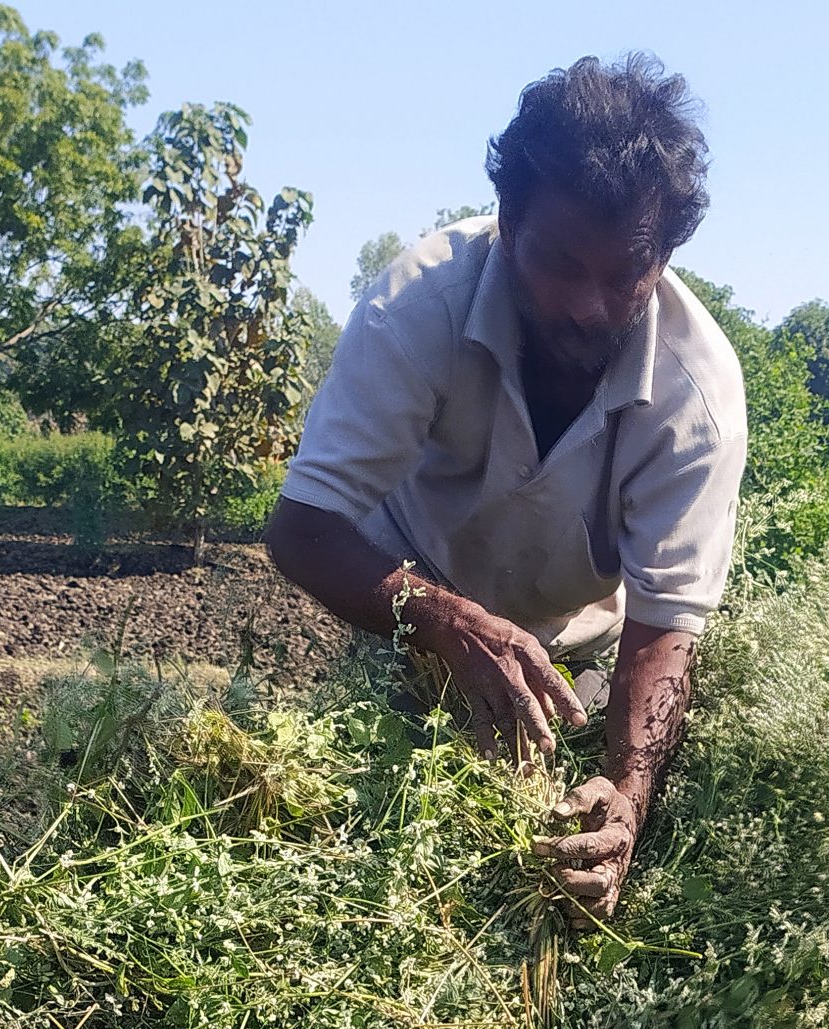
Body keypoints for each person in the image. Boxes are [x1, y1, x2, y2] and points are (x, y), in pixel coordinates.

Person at [264, 54, 747, 918]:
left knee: (561, 874)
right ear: (508, 220)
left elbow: (666, 627)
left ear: (664, 256)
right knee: (371, 869)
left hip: (579, 656)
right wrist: (439, 617)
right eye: (562, 265)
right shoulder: (417, 308)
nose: (592, 305)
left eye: (626, 272)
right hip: (405, 621)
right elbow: (302, 528)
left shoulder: (695, 395)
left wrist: (626, 798)